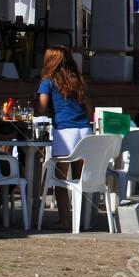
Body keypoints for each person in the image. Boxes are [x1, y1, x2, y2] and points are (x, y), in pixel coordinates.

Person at [38, 46, 93, 231]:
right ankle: (81, 219)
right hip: (84, 130)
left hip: (64, 131)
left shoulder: (47, 81)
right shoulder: (76, 80)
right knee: (79, 178)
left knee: (60, 179)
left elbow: (42, 107)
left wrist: (36, 103)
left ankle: (64, 220)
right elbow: (89, 107)